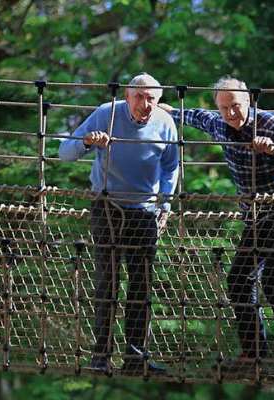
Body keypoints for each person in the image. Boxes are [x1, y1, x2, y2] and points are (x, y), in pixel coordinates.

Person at [159, 76, 274, 380]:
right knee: (238, 280)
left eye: (236, 106)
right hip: (257, 216)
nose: (231, 114)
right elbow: (193, 115)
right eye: (224, 108)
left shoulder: (271, 123)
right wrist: (161, 109)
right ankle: (253, 354)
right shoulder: (219, 123)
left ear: (248, 102)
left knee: (273, 282)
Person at [59, 73, 179, 376]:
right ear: (127, 96)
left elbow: (171, 167)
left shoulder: (165, 123)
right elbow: (65, 153)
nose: (145, 104)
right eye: (139, 97)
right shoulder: (106, 114)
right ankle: (100, 357)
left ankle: (136, 358)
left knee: (141, 287)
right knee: (107, 283)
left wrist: (165, 204)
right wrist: (87, 141)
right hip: (107, 206)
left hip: (145, 211)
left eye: (152, 98)